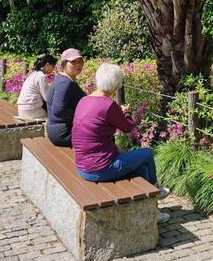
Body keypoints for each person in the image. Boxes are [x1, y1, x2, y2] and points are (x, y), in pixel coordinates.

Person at [72, 63, 170, 223]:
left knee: (142, 166)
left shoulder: (84, 100)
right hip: (100, 168)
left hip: (82, 165)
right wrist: (128, 113)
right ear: (117, 85)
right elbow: (128, 128)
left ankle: (152, 209)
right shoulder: (109, 105)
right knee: (147, 154)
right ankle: (156, 194)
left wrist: (119, 112)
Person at [46, 48, 86, 147]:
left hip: (63, 129)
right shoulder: (64, 83)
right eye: (73, 62)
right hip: (63, 132)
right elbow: (59, 110)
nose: (78, 65)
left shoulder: (65, 80)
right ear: (64, 64)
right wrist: (81, 116)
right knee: (102, 136)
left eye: (80, 61)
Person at [17, 54, 57, 120]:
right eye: (53, 66)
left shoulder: (34, 74)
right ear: (47, 65)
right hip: (31, 111)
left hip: (21, 109)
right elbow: (47, 98)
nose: (53, 69)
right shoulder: (42, 77)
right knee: (55, 115)